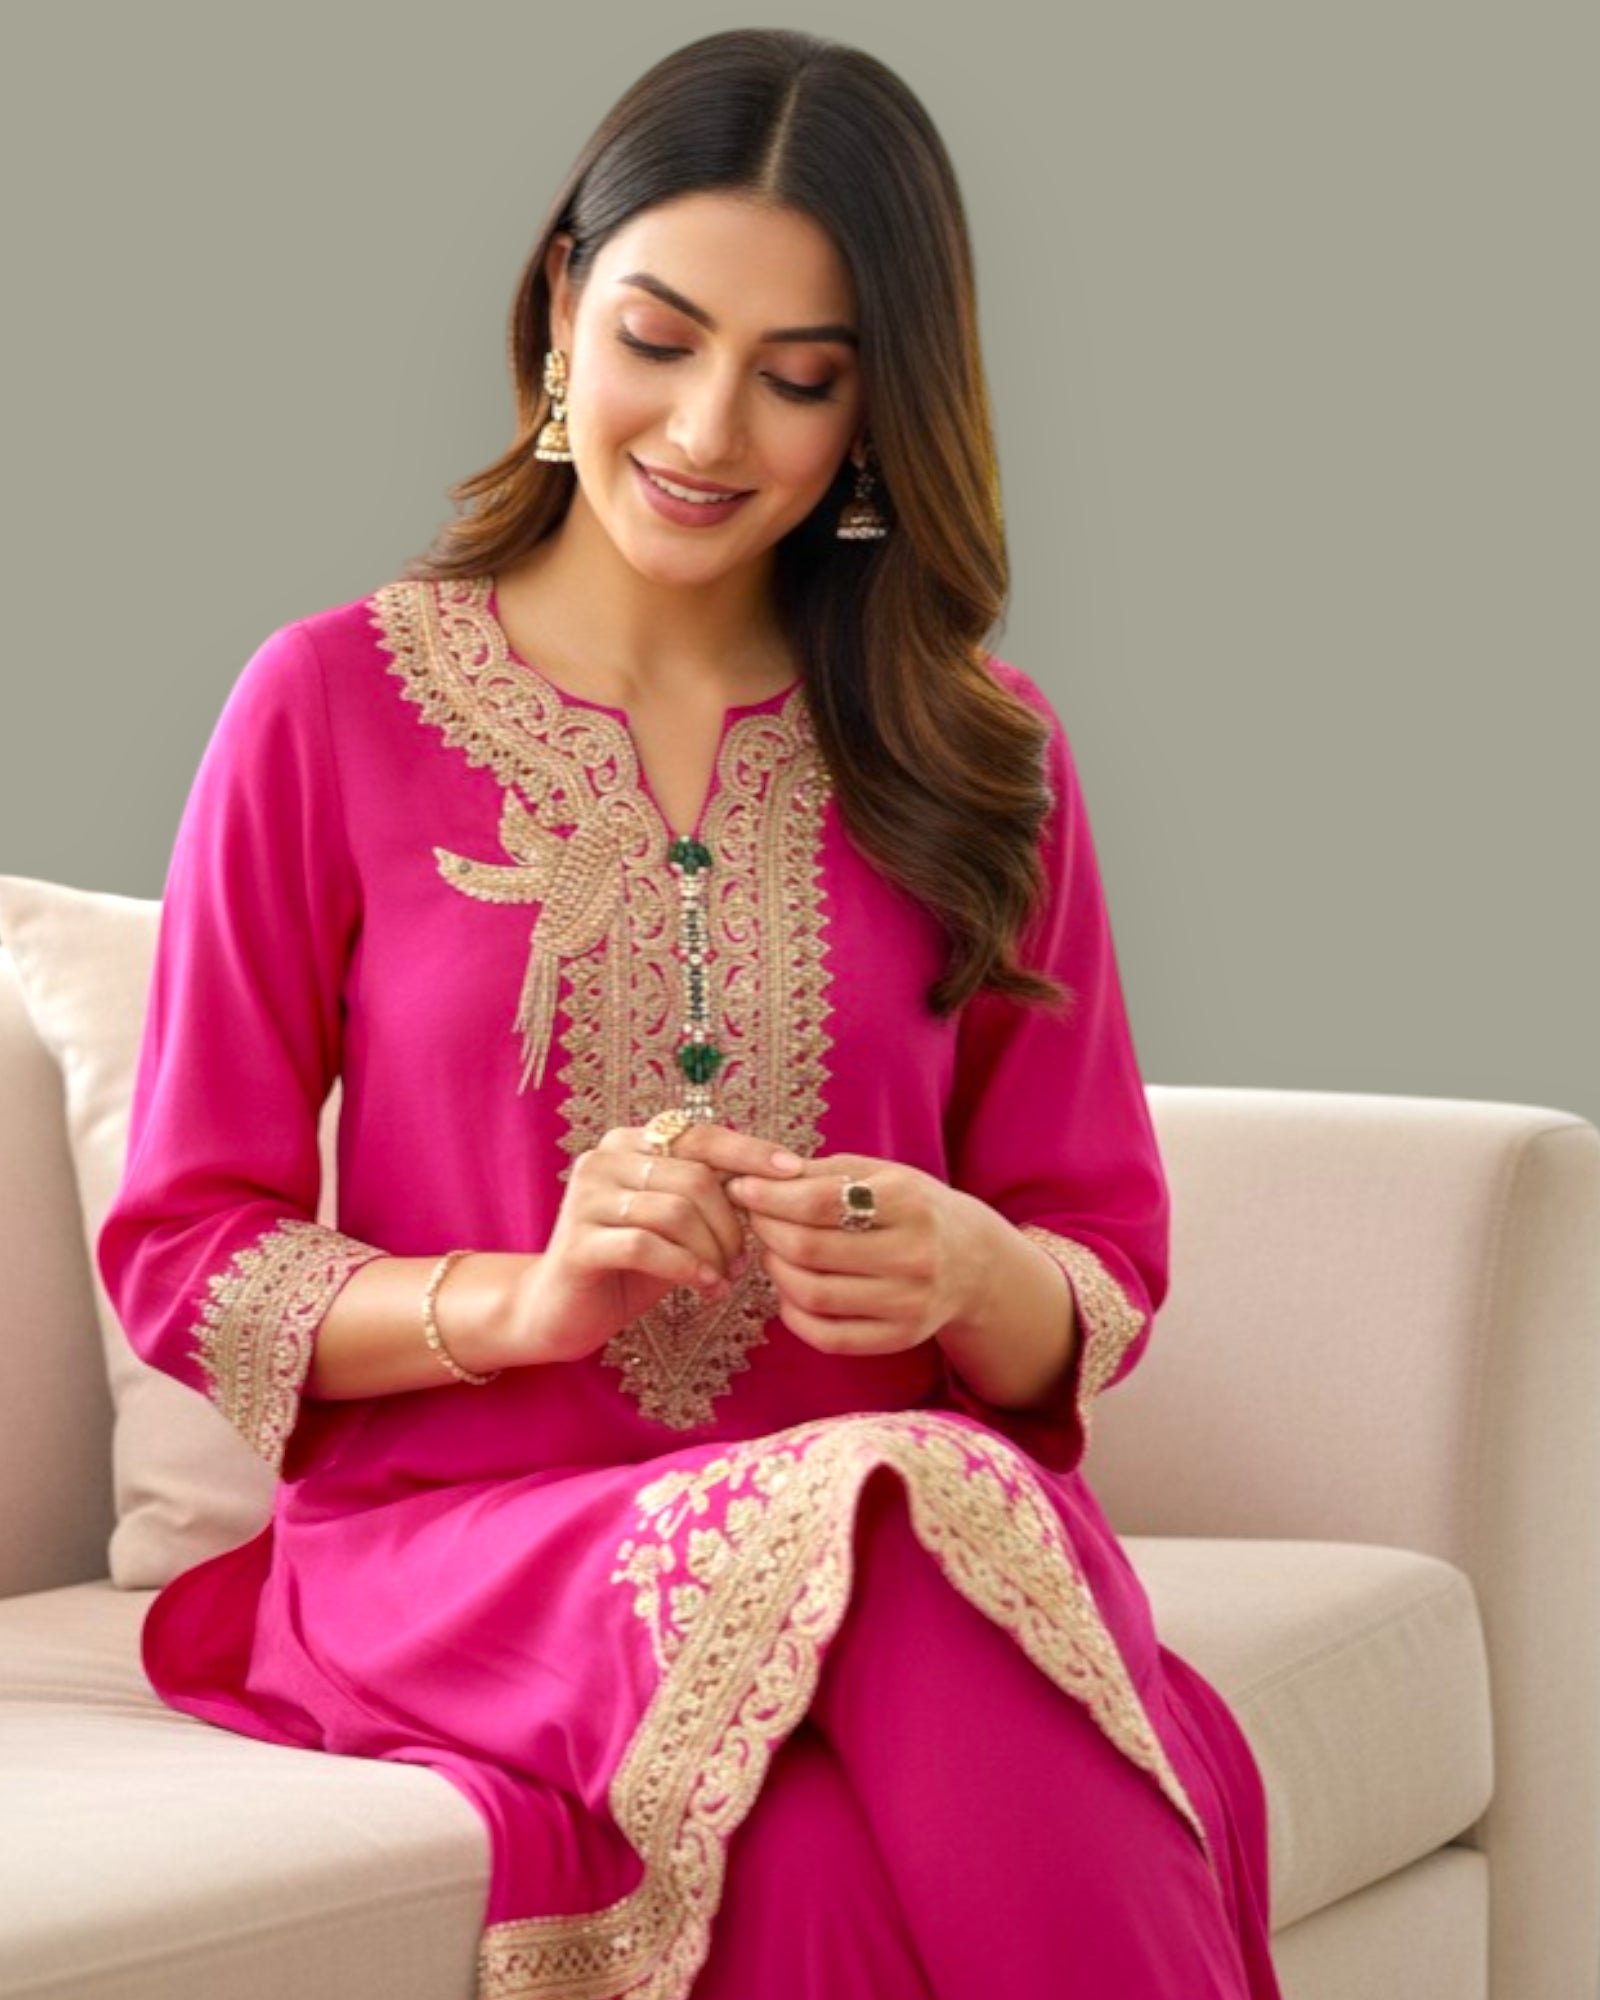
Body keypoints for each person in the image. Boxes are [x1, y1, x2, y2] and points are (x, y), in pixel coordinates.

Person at [96, 27, 1283, 2000]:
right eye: (659, 336)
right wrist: (524, 1302)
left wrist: (970, 1269)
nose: (709, 427)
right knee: (909, 1497)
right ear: (563, 303)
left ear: (877, 407)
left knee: (803, 1863)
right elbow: (186, 1251)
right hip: (468, 1553)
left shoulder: (980, 755)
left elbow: (1093, 1262)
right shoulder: (325, 706)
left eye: (799, 378)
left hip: (903, 1565)